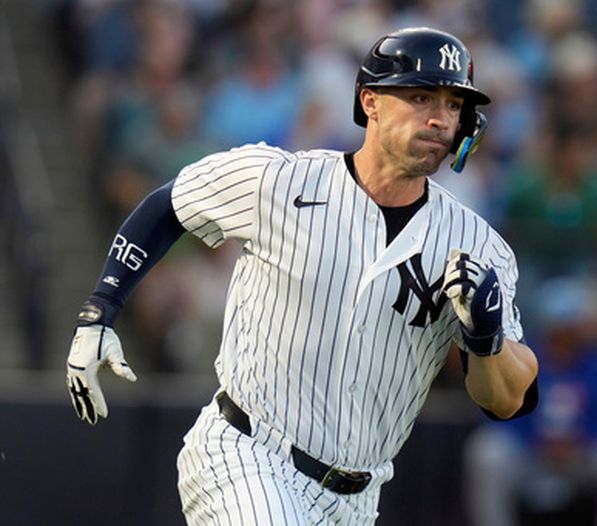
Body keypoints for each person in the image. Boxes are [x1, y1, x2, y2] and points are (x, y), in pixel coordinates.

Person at [65, 27, 539, 525]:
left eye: (454, 104)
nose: (440, 118)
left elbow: (507, 400)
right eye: (421, 97)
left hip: (357, 498)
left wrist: (486, 342)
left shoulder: (480, 248)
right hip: (245, 454)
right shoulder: (282, 179)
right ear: (370, 101)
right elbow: (171, 204)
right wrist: (101, 311)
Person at [464, 275, 597, 526]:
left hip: (582, 455)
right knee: (486, 452)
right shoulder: (523, 355)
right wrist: (536, 440)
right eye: (565, 327)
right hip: (531, 453)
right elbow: (499, 409)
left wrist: (583, 441)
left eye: (575, 326)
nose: (572, 333)